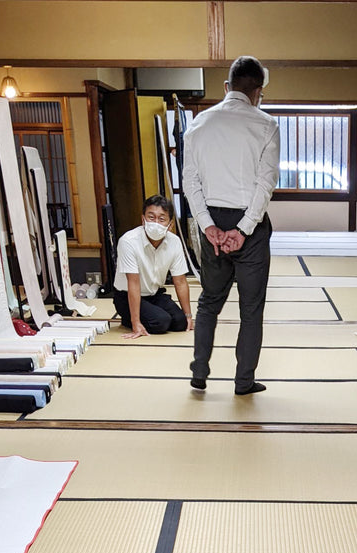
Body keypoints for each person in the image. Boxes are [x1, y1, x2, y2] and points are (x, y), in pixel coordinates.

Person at [182, 55, 280, 394]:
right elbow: (264, 185)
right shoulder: (266, 124)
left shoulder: (198, 124)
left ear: (228, 87)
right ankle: (243, 381)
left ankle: (199, 373)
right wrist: (243, 229)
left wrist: (209, 227)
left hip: (211, 220)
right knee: (251, 309)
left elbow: (190, 183)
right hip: (248, 228)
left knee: (210, 300)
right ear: (257, 91)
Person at [112, 195, 193, 339]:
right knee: (161, 322)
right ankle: (128, 317)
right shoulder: (128, 241)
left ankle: (152, 314)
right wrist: (135, 322)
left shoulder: (174, 242)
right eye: (151, 217)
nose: (156, 223)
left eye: (161, 219)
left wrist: (188, 316)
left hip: (154, 294)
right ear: (143, 219)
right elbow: (133, 282)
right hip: (127, 296)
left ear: (170, 224)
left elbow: (180, 280)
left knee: (180, 323)